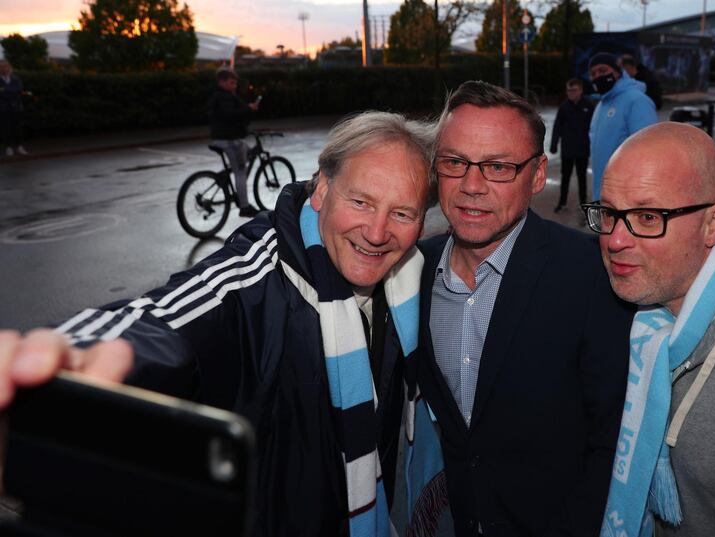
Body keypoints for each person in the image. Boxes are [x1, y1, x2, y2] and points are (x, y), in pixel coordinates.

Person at [0, 111, 439, 536]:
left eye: (402, 213)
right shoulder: (257, 275)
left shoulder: (406, 284)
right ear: (322, 189)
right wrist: (69, 359)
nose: (378, 232)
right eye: (361, 201)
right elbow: (166, 316)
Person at [416, 80, 635, 536]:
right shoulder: (413, 270)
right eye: (455, 162)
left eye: (498, 167)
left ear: (537, 175)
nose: (471, 186)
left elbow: (612, 440)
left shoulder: (593, 275)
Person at [582, 122, 715, 536]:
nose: (614, 239)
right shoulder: (648, 315)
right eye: (609, 213)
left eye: (648, 217)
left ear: (713, 224)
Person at [588, 52, 657, 201]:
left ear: (617, 72)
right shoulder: (601, 105)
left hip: (627, 198)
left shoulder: (637, 101)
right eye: (593, 73)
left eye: (603, 70)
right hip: (604, 195)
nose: (597, 76)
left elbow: (649, 152)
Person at [209, 67, 260, 217]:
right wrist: (249, 108)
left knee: (247, 150)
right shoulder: (224, 97)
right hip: (230, 140)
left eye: (235, 83)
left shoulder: (220, 95)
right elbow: (230, 115)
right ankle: (244, 207)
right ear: (222, 82)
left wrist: (247, 109)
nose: (234, 86)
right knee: (240, 172)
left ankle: (225, 176)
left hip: (224, 138)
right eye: (231, 83)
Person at [550, 78, 594, 213]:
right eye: (568, 90)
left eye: (573, 90)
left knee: (582, 178)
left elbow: (594, 127)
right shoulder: (564, 107)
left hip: (582, 149)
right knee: (565, 177)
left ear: (580, 90)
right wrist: (554, 144)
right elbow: (557, 126)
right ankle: (562, 203)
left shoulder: (589, 106)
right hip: (567, 149)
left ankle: (583, 204)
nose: (570, 93)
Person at [0, 60, 28, 157]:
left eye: (6, 66)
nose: (4, 69)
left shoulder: (16, 79)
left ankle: (19, 146)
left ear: (10, 67)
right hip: (3, 108)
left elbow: (19, 90)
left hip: (16, 107)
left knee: (18, 128)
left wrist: (5, 90)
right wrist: (10, 92)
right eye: (2, 67)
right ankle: (8, 147)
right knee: (6, 128)